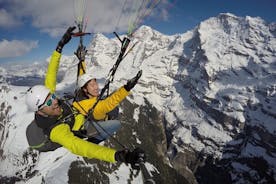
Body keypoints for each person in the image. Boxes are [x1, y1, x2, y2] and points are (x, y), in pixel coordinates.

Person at [25, 26, 145, 167]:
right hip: (81, 127)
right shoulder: (57, 131)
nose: (55, 101)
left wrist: (59, 47)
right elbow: (82, 148)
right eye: (49, 103)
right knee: (115, 123)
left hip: (79, 113)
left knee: (112, 111)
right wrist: (118, 156)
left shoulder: (70, 100)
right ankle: (94, 138)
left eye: (52, 97)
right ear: (39, 111)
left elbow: (51, 74)